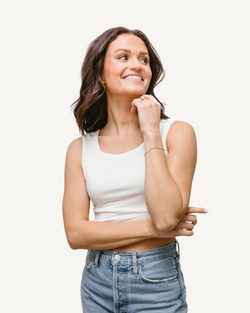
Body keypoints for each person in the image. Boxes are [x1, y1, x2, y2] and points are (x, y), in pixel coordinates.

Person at [63, 27, 207, 313]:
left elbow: (166, 215)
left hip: (155, 279)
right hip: (97, 279)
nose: (137, 65)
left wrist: (150, 131)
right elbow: (76, 234)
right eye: (123, 56)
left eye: (144, 60)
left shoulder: (175, 134)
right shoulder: (79, 149)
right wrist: (154, 228)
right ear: (101, 73)